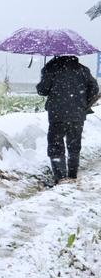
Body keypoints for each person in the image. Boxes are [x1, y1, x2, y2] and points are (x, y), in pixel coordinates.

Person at [36, 55, 99, 185]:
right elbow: (94, 89)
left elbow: (42, 90)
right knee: (74, 145)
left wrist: (44, 75)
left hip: (57, 114)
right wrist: (82, 102)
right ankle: (72, 175)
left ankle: (61, 177)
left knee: (55, 144)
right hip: (77, 114)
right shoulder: (83, 70)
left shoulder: (51, 68)